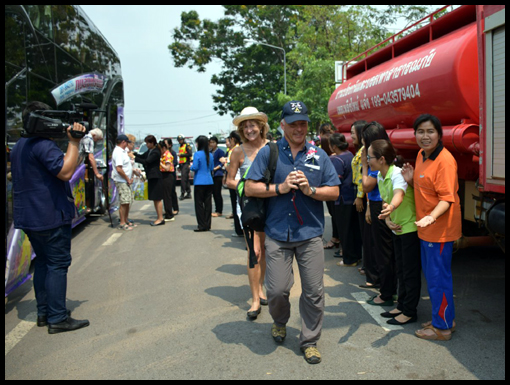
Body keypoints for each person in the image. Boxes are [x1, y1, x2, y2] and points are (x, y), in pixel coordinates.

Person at [245, 101, 340, 365]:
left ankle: (309, 340)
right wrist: (280, 188)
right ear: (282, 124)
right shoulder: (270, 152)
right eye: (294, 123)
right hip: (277, 233)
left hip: (309, 234)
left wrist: (310, 190)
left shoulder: (318, 155)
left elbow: (334, 191)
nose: (299, 128)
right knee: (276, 290)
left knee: (313, 291)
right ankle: (280, 320)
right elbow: (250, 188)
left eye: (303, 123)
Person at [11, 101, 90, 334]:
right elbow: (65, 172)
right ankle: (57, 317)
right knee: (57, 263)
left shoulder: (20, 145)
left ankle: (44, 312)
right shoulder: (43, 145)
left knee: (44, 263)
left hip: (30, 216)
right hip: (49, 215)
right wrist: (73, 142)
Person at [402, 114, 461, 341]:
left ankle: (443, 328)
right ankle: (444, 318)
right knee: (434, 277)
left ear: (439, 134)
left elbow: (446, 199)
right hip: (426, 228)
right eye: (421, 132)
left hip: (439, 230)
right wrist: (410, 180)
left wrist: (431, 218)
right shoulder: (421, 154)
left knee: (438, 279)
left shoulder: (445, 161)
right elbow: (426, 189)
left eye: (430, 132)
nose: (425, 137)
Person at [368, 139, 421, 326]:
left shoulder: (397, 174)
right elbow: (386, 201)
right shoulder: (381, 176)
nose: (368, 160)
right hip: (397, 227)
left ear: (382, 159)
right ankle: (402, 305)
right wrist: (389, 219)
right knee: (400, 269)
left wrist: (390, 208)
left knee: (410, 271)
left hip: (409, 227)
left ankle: (409, 311)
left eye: (370, 157)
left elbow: (398, 195)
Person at [227, 107, 269, 320]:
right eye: (246, 126)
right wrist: (244, 187)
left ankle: (261, 287)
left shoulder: (272, 148)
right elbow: (229, 180)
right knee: (254, 252)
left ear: (261, 126)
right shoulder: (238, 151)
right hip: (248, 208)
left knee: (265, 249)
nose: (249, 129)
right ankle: (254, 299)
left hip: (271, 206)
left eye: (253, 124)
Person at [361, 122, 396, 304]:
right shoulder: (383, 156)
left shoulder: (378, 160)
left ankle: (386, 292)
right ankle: (387, 289)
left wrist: (364, 165)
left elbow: (367, 185)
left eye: (365, 141)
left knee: (384, 252)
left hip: (381, 206)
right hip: (376, 204)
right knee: (384, 250)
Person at [329, 133, 361, 266]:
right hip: (352, 196)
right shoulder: (350, 155)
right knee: (353, 228)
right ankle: (357, 256)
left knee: (344, 230)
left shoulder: (337, 160)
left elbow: (336, 180)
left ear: (334, 146)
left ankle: (349, 259)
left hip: (342, 198)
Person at [350, 120, 369, 275]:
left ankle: (368, 266)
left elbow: (364, 175)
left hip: (361, 192)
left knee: (366, 231)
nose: (351, 136)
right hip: (359, 190)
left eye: (353, 132)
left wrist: (360, 196)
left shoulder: (365, 151)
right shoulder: (361, 149)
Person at [135, 135, 165, 226]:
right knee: (155, 198)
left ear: (153, 143)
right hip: (151, 176)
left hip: (155, 176)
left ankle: (160, 218)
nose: (147, 145)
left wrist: (134, 158)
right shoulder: (149, 151)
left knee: (157, 198)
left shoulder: (155, 152)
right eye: (146, 143)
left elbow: (146, 161)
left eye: (148, 143)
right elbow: (142, 156)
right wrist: (133, 154)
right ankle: (159, 217)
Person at [319, 123, 340, 250]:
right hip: (333, 190)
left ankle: (335, 238)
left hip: (328, 189)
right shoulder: (333, 157)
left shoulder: (328, 158)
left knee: (335, 215)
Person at [190, 135, 214, 232]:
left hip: (199, 181)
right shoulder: (210, 155)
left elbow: (194, 167)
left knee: (199, 204)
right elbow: (212, 168)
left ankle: (201, 225)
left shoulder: (197, 154)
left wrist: (190, 167)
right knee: (208, 204)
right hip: (209, 181)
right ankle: (208, 224)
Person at [112, 134, 135, 230]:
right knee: (124, 202)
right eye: (127, 143)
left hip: (125, 180)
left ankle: (125, 220)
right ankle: (122, 223)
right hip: (122, 180)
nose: (128, 145)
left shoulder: (123, 151)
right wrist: (127, 178)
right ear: (123, 142)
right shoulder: (118, 152)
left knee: (128, 201)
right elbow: (119, 169)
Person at [224, 131, 243, 236]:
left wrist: (224, 163)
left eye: (230, 140)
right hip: (239, 181)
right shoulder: (243, 148)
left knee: (237, 207)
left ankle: (239, 230)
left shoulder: (235, 150)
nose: (228, 142)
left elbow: (230, 168)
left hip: (236, 181)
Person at [159, 140, 175, 222]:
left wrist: (160, 163)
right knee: (165, 195)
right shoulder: (163, 154)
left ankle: (169, 215)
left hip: (168, 175)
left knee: (167, 196)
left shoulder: (167, 155)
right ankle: (167, 212)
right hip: (164, 175)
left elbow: (167, 168)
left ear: (164, 148)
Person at [209, 136, 226, 217]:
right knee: (213, 193)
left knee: (217, 193)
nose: (212, 144)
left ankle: (219, 210)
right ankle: (216, 209)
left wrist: (216, 168)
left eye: (213, 142)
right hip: (211, 174)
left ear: (216, 143)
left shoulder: (220, 151)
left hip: (218, 174)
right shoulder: (210, 151)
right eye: (210, 142)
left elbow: (222, 162)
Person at [177, 135, 193, 200]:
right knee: (186, 178)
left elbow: (190, 154)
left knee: (183, 179)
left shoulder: (187, 145)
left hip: (186, 164)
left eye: (180, 140)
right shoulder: (180, 146)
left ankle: (182, 193)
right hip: (182, 164)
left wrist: (181, 155)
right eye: (179, 140)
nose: (179, 141)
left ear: (183, 139)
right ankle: (188, 193)